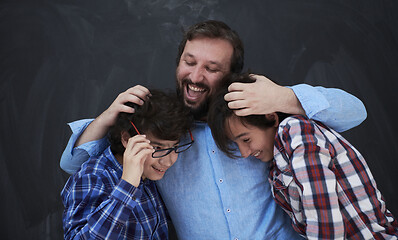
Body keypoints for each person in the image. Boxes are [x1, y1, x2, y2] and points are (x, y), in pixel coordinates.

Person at [60, 20, 368, 239]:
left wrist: (282, 97)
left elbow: (356, 111)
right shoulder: (161, 129)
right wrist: (108, 115)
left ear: (231, 75)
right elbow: (74, 164)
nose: (195, 76)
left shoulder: (260, 110)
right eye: (189, 62)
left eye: (211, 68)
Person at [207, 73, 398, 239]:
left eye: (246, 140)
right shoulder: (276, 165)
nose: (244, 153)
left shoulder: (293, 130)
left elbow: (325, 221)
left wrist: (283, 96)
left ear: (271, 117)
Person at [61, 90, 193, 239]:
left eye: (174, 147)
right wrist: (127, 186)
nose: (168, 161)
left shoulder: (150, 177)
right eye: (157, 148)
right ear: (126, 139)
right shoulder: (93, 177)